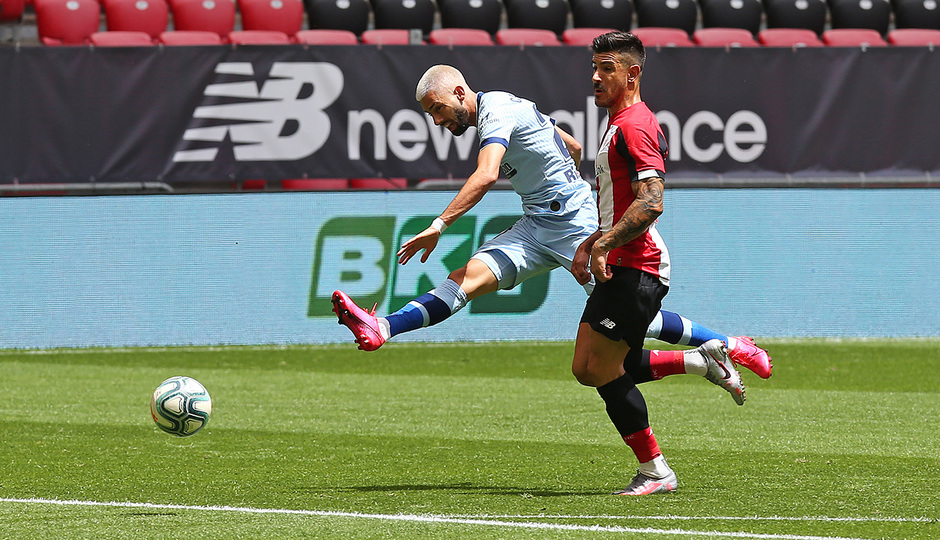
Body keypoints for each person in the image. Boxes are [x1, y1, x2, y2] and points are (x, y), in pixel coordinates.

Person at [331, 64, 771, 380]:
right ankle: (383, 327)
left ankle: (730, 346)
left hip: (575, 223)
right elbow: (573, 145)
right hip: (537, 223)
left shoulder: (496, 115)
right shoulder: (509, 105)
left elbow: (486, 175)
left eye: (438, 108)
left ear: (460, 92)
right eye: (431, 114)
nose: (438, 120)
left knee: (635, 319)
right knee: (462, 280)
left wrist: (440, 224)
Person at [570, 31, 749, 497]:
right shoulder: (616, 123)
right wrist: (592, 243)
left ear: (631, 74)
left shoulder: (635, 125)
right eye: (593, 66)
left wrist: (605, 245)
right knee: (587, 367)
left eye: (606, 67)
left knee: (606, 369)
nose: (595, 76)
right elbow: (618, 204)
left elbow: (651, 203)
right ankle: (699, 360)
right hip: (620, 259)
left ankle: (655, 470)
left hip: (639, 266)